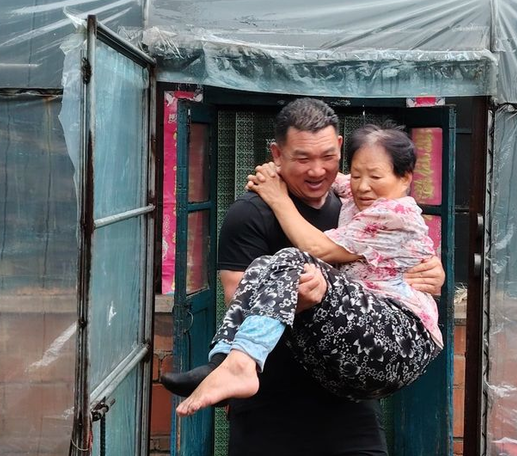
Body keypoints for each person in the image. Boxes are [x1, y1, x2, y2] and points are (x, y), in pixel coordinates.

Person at [179, 98, 443, 456]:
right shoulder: (250, 212)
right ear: (276, 155)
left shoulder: (363, 201)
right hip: (276, 397)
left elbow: (404, 245)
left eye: (329, 156)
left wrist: (435, 269)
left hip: (345, 397)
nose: (320, 170)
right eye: (303, 158)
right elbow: (237, 294)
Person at [170, 120, 443, 414]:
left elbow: (317, 248)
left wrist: (277, 197)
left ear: (405, 178)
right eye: (357, 174)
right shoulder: (359, 194)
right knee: (264, 266)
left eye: (375, 176)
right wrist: (277, 169)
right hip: (351, 359)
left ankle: (240, 365)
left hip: (401, 339)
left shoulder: (394, 212)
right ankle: (222, 362)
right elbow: (328, 177)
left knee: (294, 260)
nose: (363, 185)